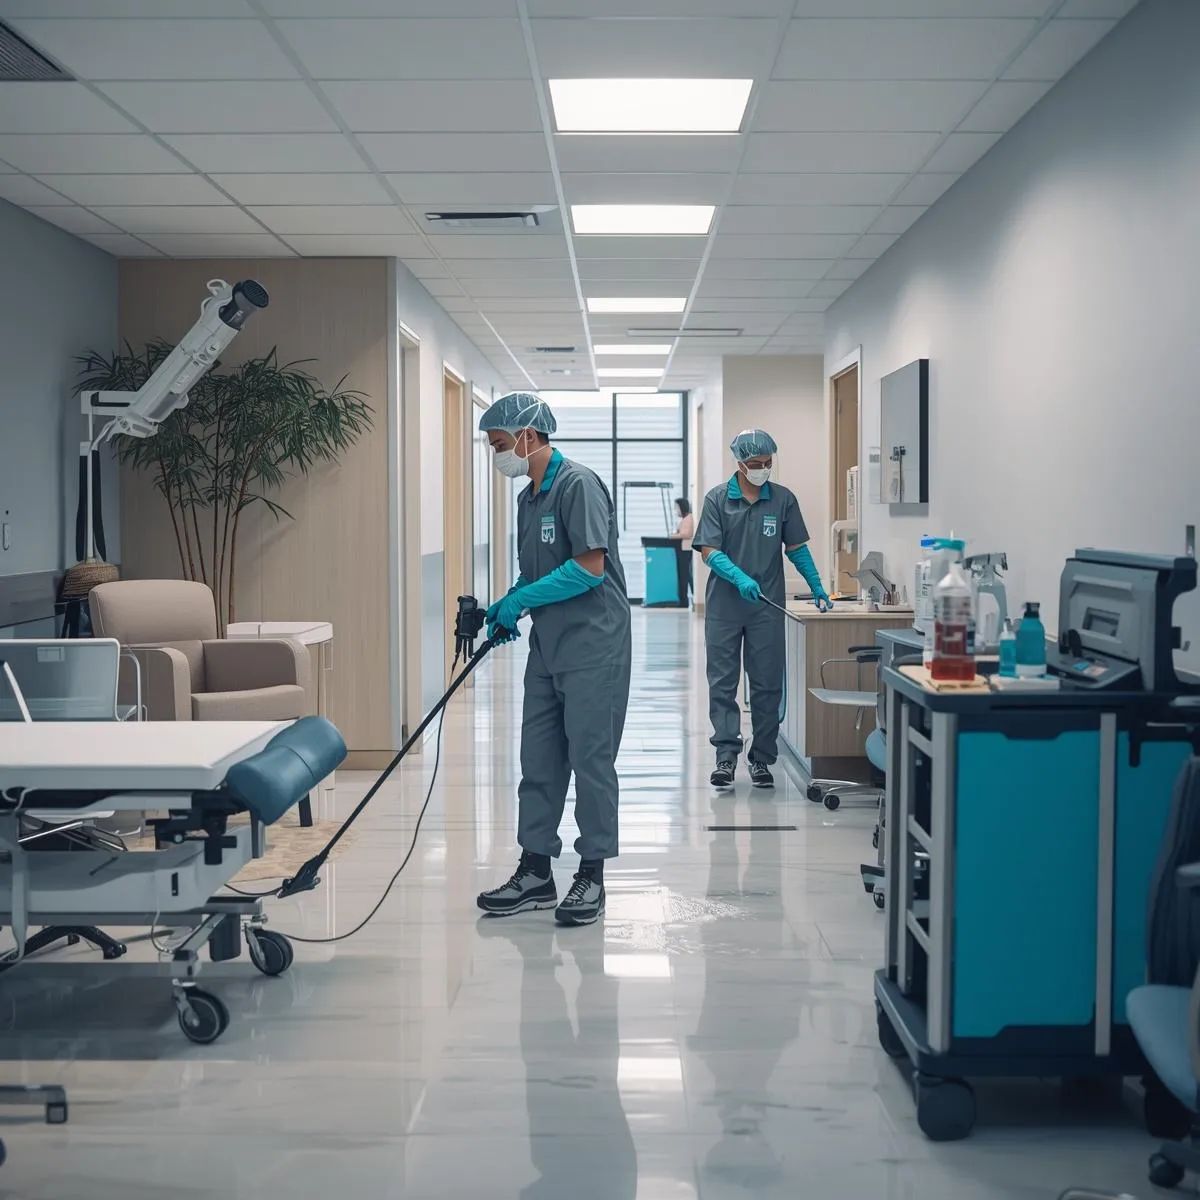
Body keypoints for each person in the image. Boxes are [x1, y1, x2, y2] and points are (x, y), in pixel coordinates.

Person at [475, 392, 632, 927]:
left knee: (590, 761)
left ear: (528, 435)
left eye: (499, 444)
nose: (497, 454)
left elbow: (588, 567)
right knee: (538, 760)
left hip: (594, 643)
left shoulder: (578, 485)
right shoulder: (529, 498)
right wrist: (508, 607)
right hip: (548, 647)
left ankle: (592, 875)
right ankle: (536, 870)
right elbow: (537, 573)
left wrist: (522, 600)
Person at [693, 428, 831, 791]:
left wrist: (816, 584)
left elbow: (796, 547)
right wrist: (738, 577)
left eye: (768, 463)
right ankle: (725, 756)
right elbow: (709, 551)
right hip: (725, 606)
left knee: (767, 684)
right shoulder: (718, 500)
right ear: (739, 463)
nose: (763, 469)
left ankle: (762, 759)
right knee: (723, 684)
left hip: (765, 607)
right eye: (756, 464)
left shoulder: (782, 500)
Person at [670, 497, 695, 600]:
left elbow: (687, 534)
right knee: (684, 575)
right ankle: (683, 598)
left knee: (684, 575)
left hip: (685, 550)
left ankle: (684, 600)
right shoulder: (685, 519)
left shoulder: (689, 518)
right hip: (682, 549)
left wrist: (673, 536)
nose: (676, 510)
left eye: (677, 507)